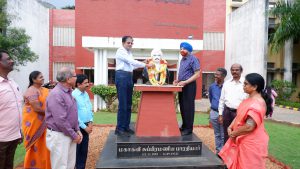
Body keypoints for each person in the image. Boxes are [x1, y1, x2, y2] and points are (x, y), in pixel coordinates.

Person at [219, 73, 272, 169]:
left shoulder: (257, 103)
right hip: (241, 139)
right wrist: (230, 126)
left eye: (246, 84)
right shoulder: (249, 99)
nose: (243, 86)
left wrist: (233, 133)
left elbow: (249, 127)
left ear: (255, 87)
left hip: (251, 143)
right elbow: (239, 115)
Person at [115, 35, 153, 137]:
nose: (130, 44)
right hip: (121, 76)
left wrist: (143, 62)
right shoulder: (120, 51)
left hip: (128, 77)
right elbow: (131, 62)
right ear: (123, 43)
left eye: (132, 43)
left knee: (128, 104)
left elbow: (132, 66)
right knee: (123, 104)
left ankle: (126, 127)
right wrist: (145, 65)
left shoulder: (129, 53)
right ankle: (119, 129)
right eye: (128, 42)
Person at [45, 67, 82, 168]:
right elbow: (61, 121)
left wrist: (77, 130)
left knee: (70, 165)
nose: (76, 78)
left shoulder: (68, 92)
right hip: (59, 136)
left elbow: (73, 113)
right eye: (75, 76)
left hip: (69, 133)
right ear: (68, 79)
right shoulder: (56, 94)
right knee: (60, 166)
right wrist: (74, 135)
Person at [22, 71, 51, 169]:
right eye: (40, 77)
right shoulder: (31, 90)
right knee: (35, 146)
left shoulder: (45, 89)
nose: (43, 78)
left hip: (45, 122)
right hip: (33, 123)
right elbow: (37, 109)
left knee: (45, 146)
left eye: (43, 76)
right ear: (34, 80)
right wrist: (52, 113)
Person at [0, 50, 23, 169]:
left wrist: (19, 130)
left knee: (9, 166)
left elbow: (16, 108)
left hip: (14, 136)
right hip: (1, 139)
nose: (12, 61)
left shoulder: (12, 82)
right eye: (8, 59)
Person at [173, 42, 200, 136]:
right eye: (180, 49)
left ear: (189, 50)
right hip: (182, 85)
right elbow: (184, 73)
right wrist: (178, 80)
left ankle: (188, 129)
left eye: (183, 49)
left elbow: (197, 74)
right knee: (183, 106)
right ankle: (184, 126)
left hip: (189, 85)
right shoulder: (182, 60)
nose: (181, 50)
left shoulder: (194, 59)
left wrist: (186, 82)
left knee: (188, 107)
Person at [218, 63, 248, 143]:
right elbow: (222, 99)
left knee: (238, 135)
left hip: (239, 113)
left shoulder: (246, 83)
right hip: (227, 112)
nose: (234, 71)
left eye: (237, 70)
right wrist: (220, 114)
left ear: (241, 71)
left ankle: (236, 154)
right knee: (226, 134)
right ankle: (225, 154)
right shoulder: (227, 83)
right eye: (232, 70)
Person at [72, 74, 93, 169]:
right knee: (76, 150)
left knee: (84, 150)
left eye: (87, 82)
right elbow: (74, 114)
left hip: (87, 125)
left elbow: (89, 108)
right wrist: (85, 127)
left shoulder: (86, 94)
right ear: (79, 84)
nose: (88, 84)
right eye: (85, 83)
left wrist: (90, 122)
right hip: (78, 127)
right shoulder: (73, 95)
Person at [208, 68, 227, 156]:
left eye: (218, 75)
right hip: (214, 112)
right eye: (215, 74)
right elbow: (211, 99)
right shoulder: (212, 86)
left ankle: (223, 151)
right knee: (217, 133)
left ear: (223, 76)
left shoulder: (227, 87)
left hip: (223, 113)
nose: (215, 76)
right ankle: (218, 150)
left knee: (223, 133)